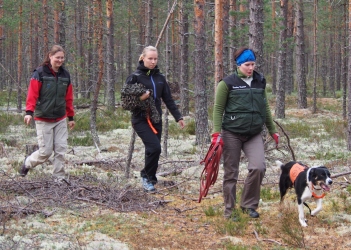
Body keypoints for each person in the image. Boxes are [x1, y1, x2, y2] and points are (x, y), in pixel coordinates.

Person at [212, 47, 279, 219]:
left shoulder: (259, 81)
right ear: (239, 65)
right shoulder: (227, 83)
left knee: (258, 167)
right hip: (231, 133)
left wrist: (272, 130)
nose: (251, 68)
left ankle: (248, 205)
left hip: (254, 133)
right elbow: (218, 109)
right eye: (247, 64)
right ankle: (229, 210)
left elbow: (265, 107)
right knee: (231, 173)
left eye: (253, 64)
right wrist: (216, 134)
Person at [123, 46, 185, 192]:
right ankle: (146, 176)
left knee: (153, 151)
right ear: (142, 58)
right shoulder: (135, 77)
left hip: (156, 119)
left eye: (155, 59)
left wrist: (178, 117)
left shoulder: (160, 78)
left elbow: (168, 99)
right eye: (150, 58)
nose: (153, 61)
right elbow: (125, 103)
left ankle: (150, 179)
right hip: (140, 119)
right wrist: (141, 98)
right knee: (155, 147)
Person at [19, 45, 75, 182]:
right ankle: (28, 163)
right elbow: (32, 94)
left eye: (62, 58)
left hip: (60, 118)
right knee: (45, 152)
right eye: (57, 57)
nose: (60, 60)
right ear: (50, 56)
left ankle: (59, 178)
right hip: (43, 118)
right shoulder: (39, 73)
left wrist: (71, 117)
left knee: (61, 149)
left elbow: (68, 98)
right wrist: (28, 112)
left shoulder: (65, 75)